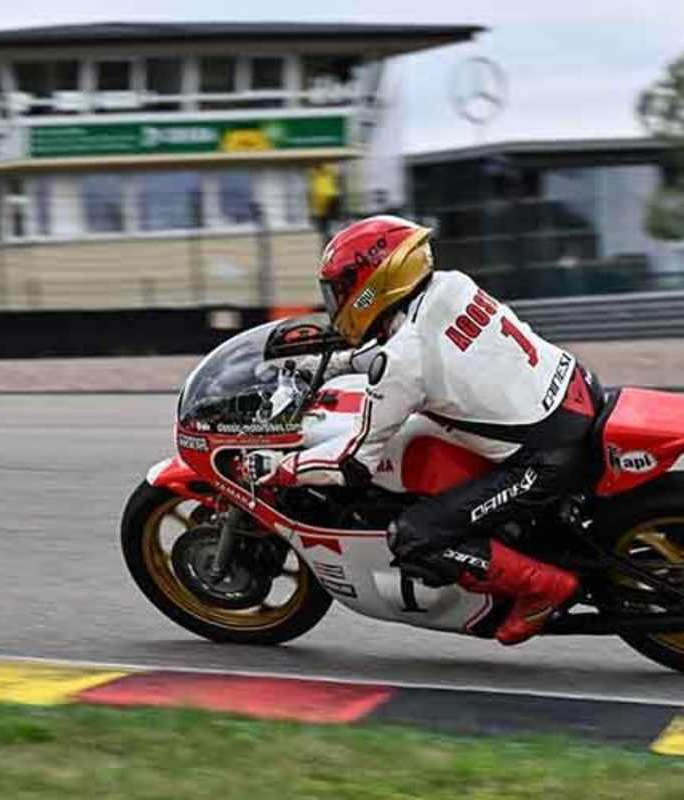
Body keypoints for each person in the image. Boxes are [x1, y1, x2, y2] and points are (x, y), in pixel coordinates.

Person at [247, 215, 599, 646]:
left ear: (371, 286)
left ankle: (542, 588)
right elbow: (415, 350)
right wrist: (331, 365)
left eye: (338, 291)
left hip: (546, 457)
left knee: (416, 536)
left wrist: (280, 467)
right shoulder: (451, 286)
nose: (335, 302)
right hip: (577, 393)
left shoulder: (401, 361)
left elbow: (353, 464)